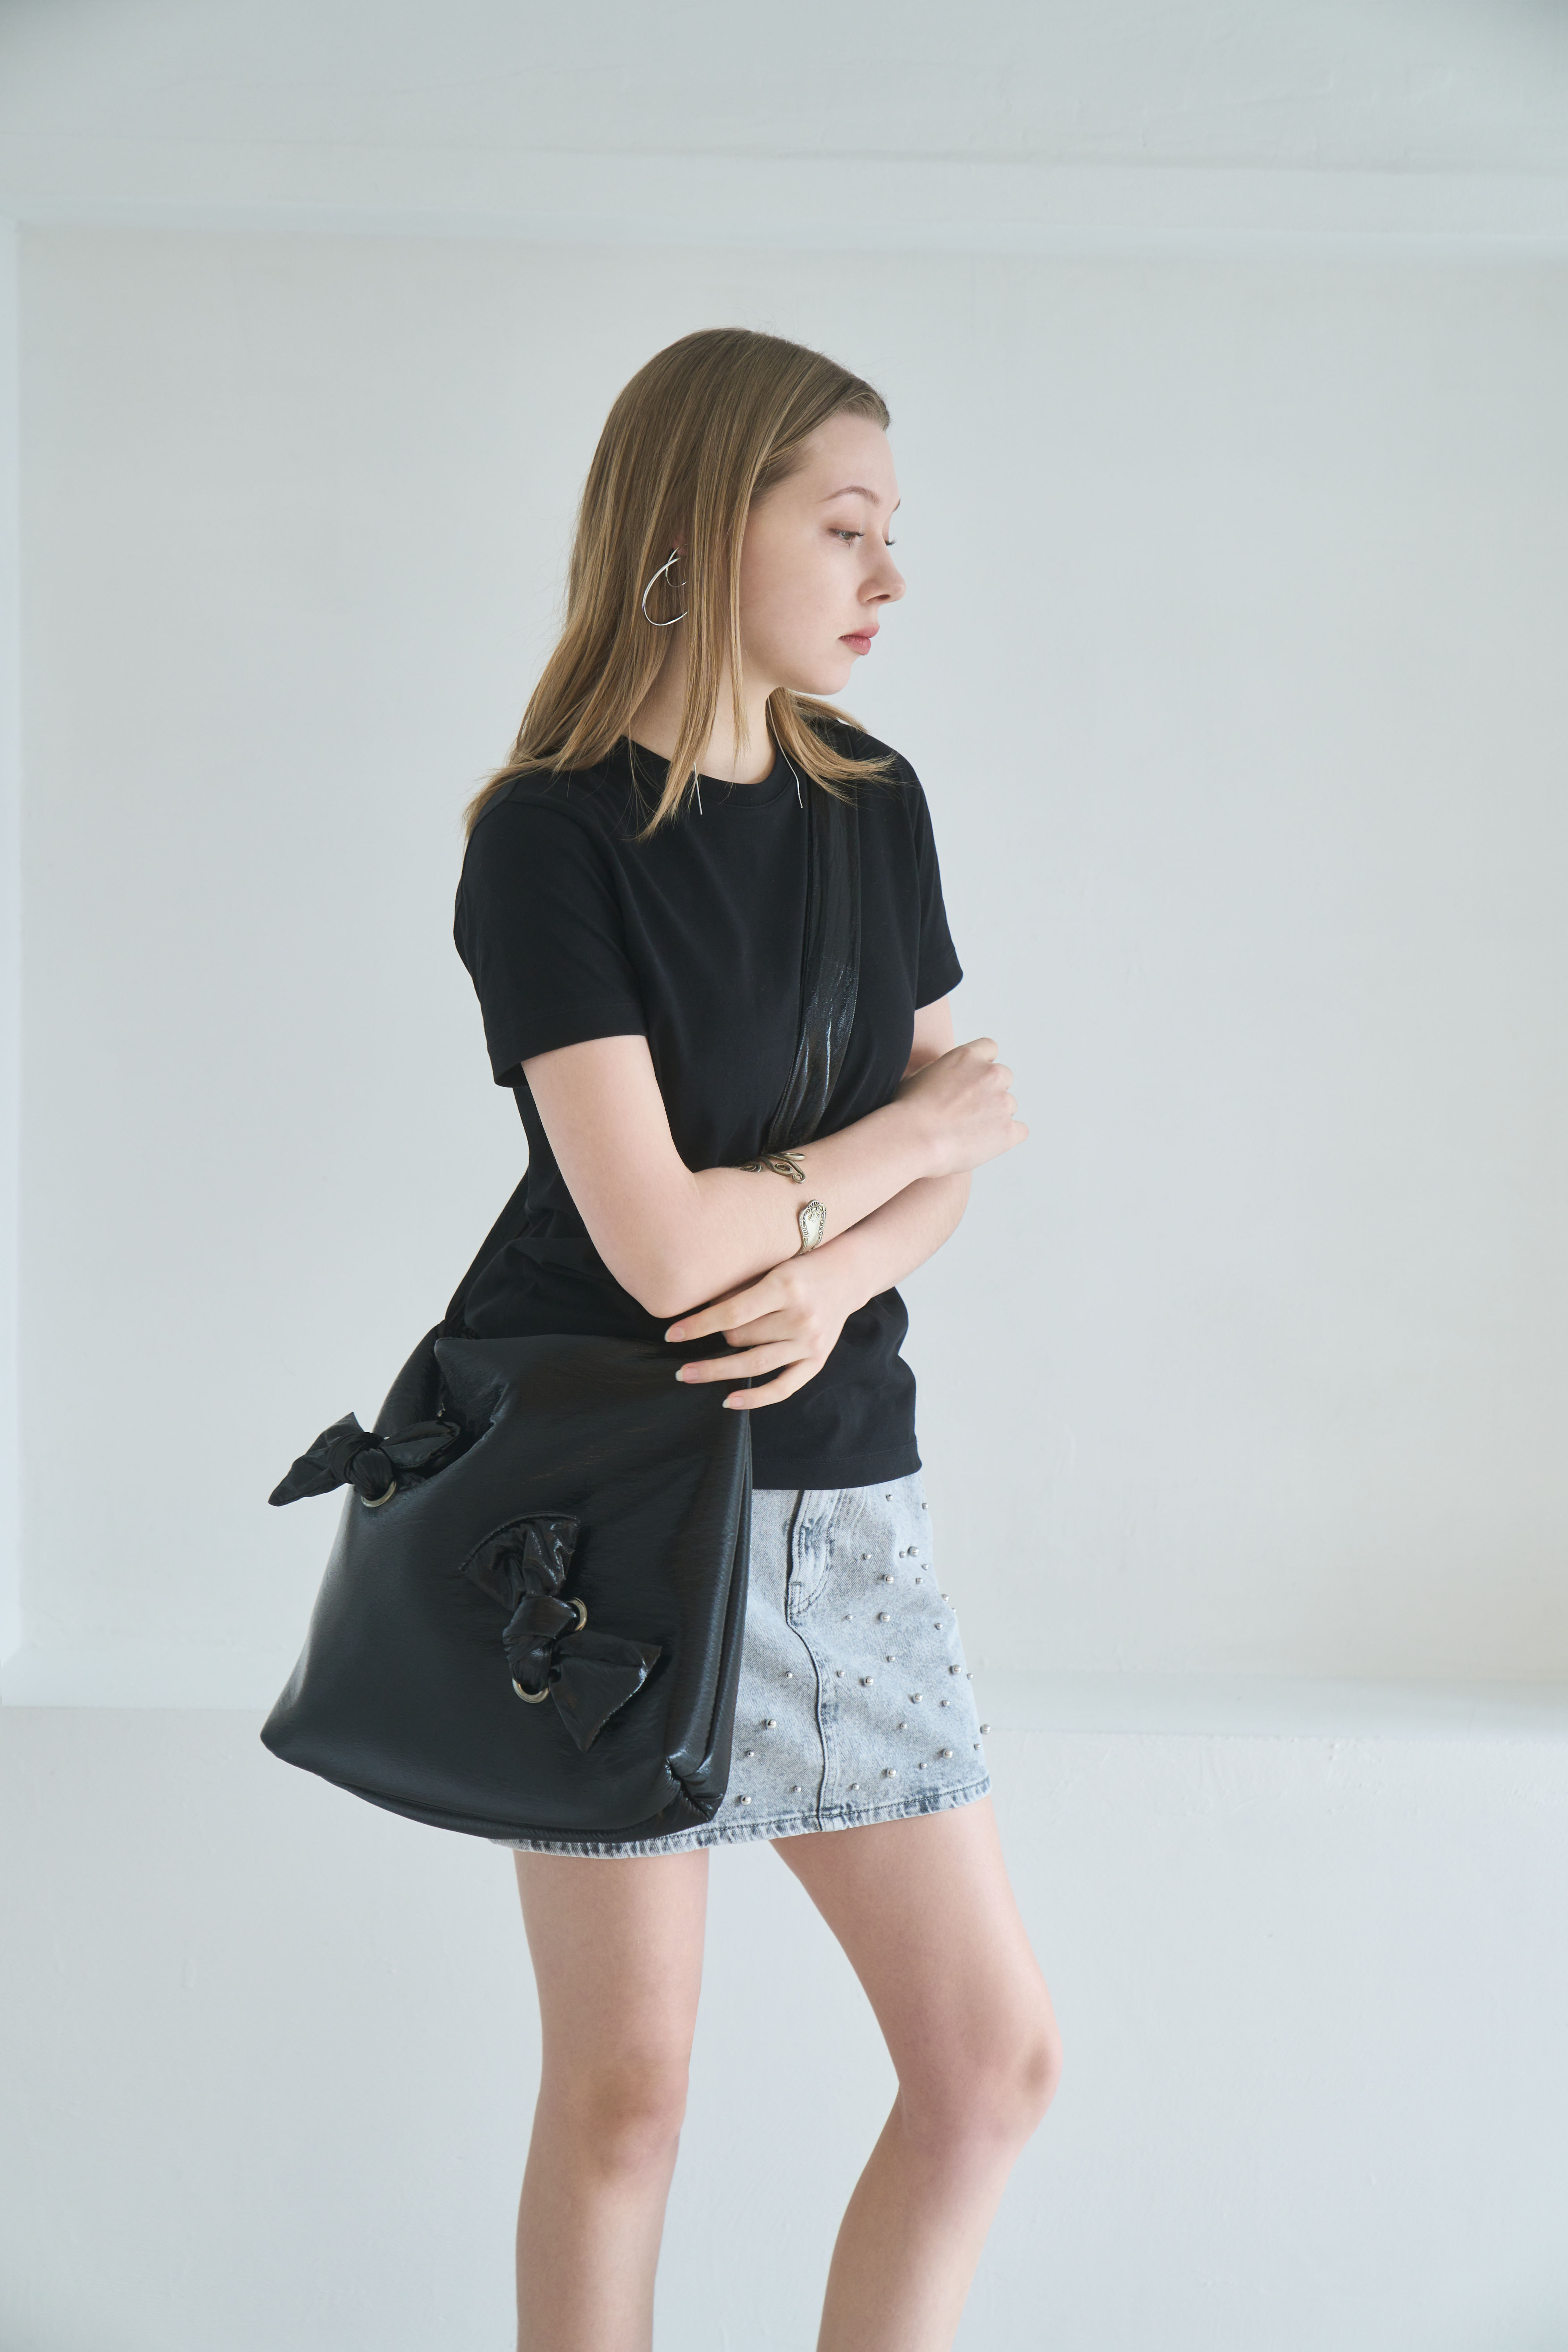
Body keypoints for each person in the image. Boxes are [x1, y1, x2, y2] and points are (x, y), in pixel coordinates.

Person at [453, 327, 1061, 2352]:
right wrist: (884, 1167)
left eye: (892, 531)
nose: (889, 577)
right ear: (704, 523)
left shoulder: (873, 804)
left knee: (988, 2068)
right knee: (626, 2098)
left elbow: (943, 1182)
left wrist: (825, 1273)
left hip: (843, 1494)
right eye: (845, 527)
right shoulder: (548, 839)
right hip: (609, 1526)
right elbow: (664, 1245)